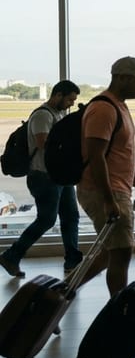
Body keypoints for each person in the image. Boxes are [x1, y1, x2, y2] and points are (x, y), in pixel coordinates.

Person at [76, 58, 135, 298]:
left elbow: (123, 155)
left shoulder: (119, 106)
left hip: (116, 189)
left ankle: (59, 294)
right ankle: (120, 316)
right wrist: (108, 199)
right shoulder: (103, 109)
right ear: (121, 78)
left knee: (109, 254)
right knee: (121, 253)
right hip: (106, 191)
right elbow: (96, 156)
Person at [0, 81, 82, 278]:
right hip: (44, 177)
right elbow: (44, 142)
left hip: (59, 176)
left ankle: (73, 260)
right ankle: (12, 255)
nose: (71, 104)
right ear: (58, 95)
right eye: (69, 99)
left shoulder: (59, 114)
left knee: (70, 217)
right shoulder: (42, 115)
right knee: (47, 219)